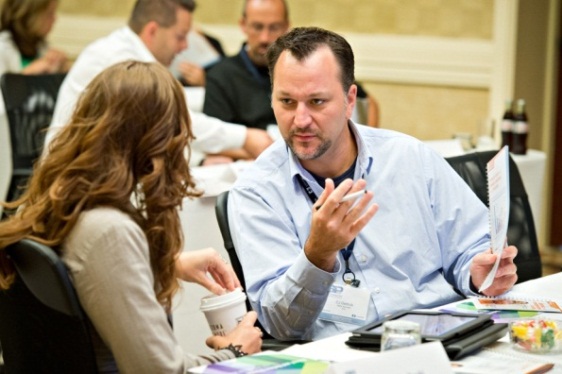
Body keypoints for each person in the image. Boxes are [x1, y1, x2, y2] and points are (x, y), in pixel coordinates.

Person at [227, 27, 518, 341]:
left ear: (350, 99)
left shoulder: (410, 157)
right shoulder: (256, 192)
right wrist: (317, 255)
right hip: (344, 355)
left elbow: (470, 249)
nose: (300, 120)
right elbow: (281, 325)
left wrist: (479, 274)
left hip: (442, 338)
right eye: (286, 101)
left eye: (317, 101)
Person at [0, 60, 262, 372]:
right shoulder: (110, 231)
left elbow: (83, 271)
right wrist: (234, 351)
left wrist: (164, 262)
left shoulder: (58, 201)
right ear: (160, 137)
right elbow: (158, 370)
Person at [45, 0, 272, 166]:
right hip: (74, 185)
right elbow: (171, 118)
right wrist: (244, 137)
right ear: (153, 30)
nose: (184, 47)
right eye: (181, 36)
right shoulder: (118, 61)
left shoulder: (132, 54)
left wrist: (205, 158)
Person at [203, 0, 289, 130]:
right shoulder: (221, 75)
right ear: (243, 25)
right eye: (257, 27)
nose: (264, 38)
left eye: (274, 27)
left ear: (286, 27)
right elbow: (213, 143)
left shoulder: (300, 72)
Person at [0, 0, 68, 76]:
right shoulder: (2, 46)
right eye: (49, 14)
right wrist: (28, 74)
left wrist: (61, 68)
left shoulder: (41, 45)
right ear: (29, 16)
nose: (54, 19)